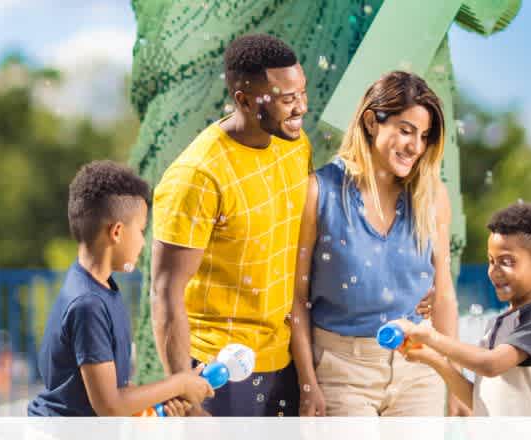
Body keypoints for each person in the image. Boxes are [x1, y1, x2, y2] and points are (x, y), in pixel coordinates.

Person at [150, 33, 311, 417]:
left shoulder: (295, 143)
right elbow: (165, 292)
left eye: (302, 93)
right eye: (287, 99)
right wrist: (186, 395)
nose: (301, 107)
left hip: (281, 363)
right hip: (215, 373)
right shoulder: (197, 175)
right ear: (243, 100)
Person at [289, 71, 459, 418]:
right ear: (371, 121)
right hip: (342, 371)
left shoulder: (432, 197)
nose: (415, 146)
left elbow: (443, 294)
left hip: (419, 369)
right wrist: (308, 383)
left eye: (424, 136)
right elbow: (295, 298)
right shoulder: (317, 193)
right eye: (405, 130)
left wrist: (454, 381)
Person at [27, 160, 213, 418]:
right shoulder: (88, 304)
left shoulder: (98, 286)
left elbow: (109, 389)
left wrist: (160, 398)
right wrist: (179, 383)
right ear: (116, 232)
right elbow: (110, 406)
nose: (143, 244)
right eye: (140, 230)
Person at [396, 201, 531, 416]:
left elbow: (490, 365)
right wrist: (432, 358)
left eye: (506, 261)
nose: (494, 271)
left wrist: (431, 337)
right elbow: (479, 402)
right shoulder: (498, 323)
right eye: (491, 261)